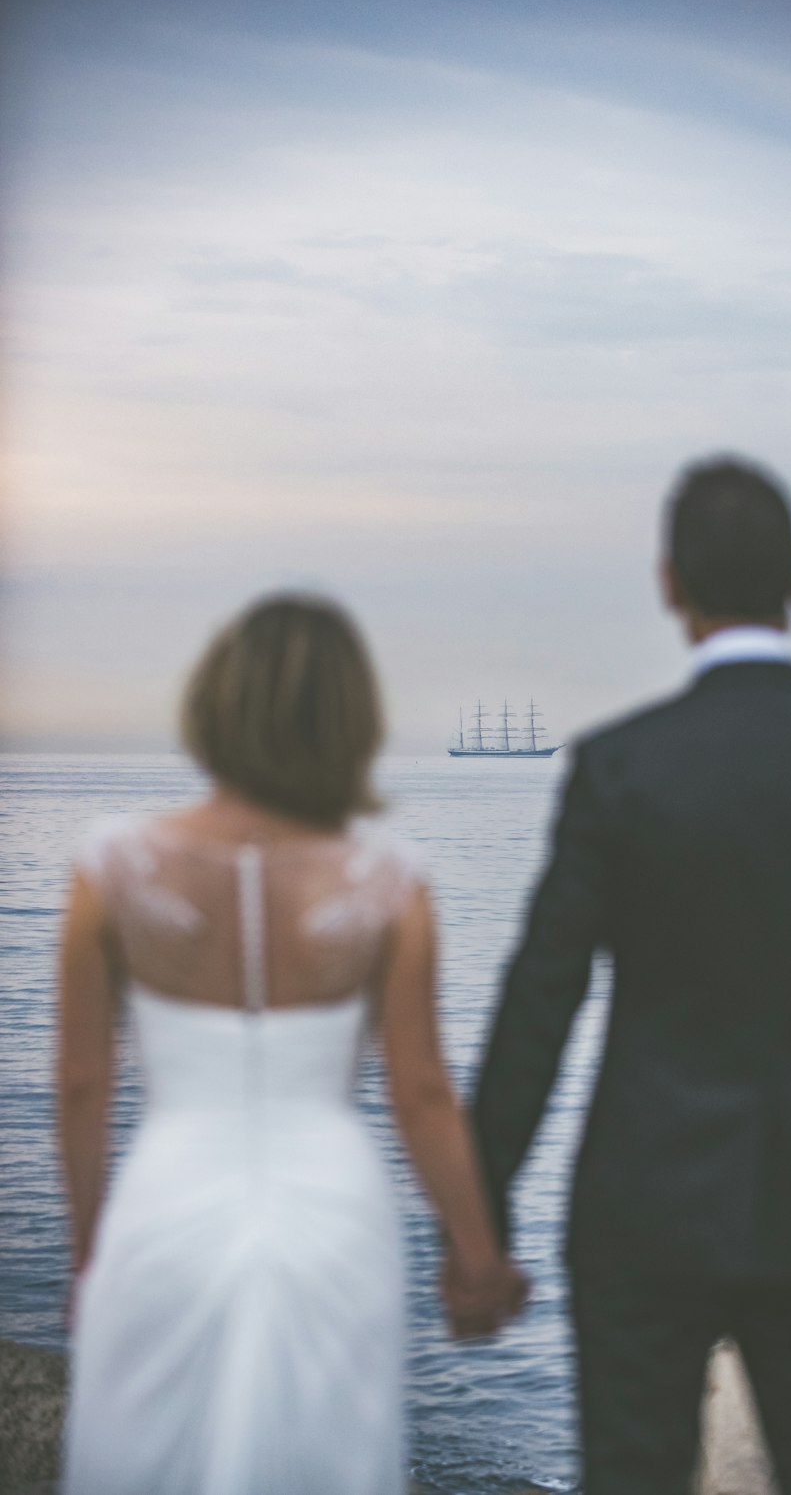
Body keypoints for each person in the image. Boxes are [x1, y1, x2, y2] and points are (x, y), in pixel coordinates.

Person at [470, 457, 791, 1495]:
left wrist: (482, 1210)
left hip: (640, 1205)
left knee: (632, 1477)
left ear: (668, 584)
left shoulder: (619, 767)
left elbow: (537, 1000)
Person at [58, 593, 526, 1495]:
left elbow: (83, 1084)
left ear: (212, 704)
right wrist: (476, 1260)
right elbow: (422, 1094)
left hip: (166, 1205)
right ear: (352, 722)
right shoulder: (390, 883)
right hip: (333, 1216)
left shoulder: (111, 867)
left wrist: (90, 1253)